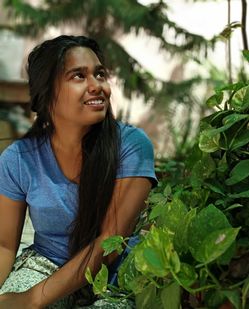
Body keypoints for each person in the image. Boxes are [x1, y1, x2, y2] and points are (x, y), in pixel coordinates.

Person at [0, 35, 157, 308]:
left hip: (117, 278)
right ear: (47, 94)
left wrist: (31, 300)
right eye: (78, 76)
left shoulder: (131, 146)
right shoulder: (19, 158)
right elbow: (4, 246)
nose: (97, 86)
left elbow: (110, 242)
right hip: (45, 264)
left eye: (99, 74)